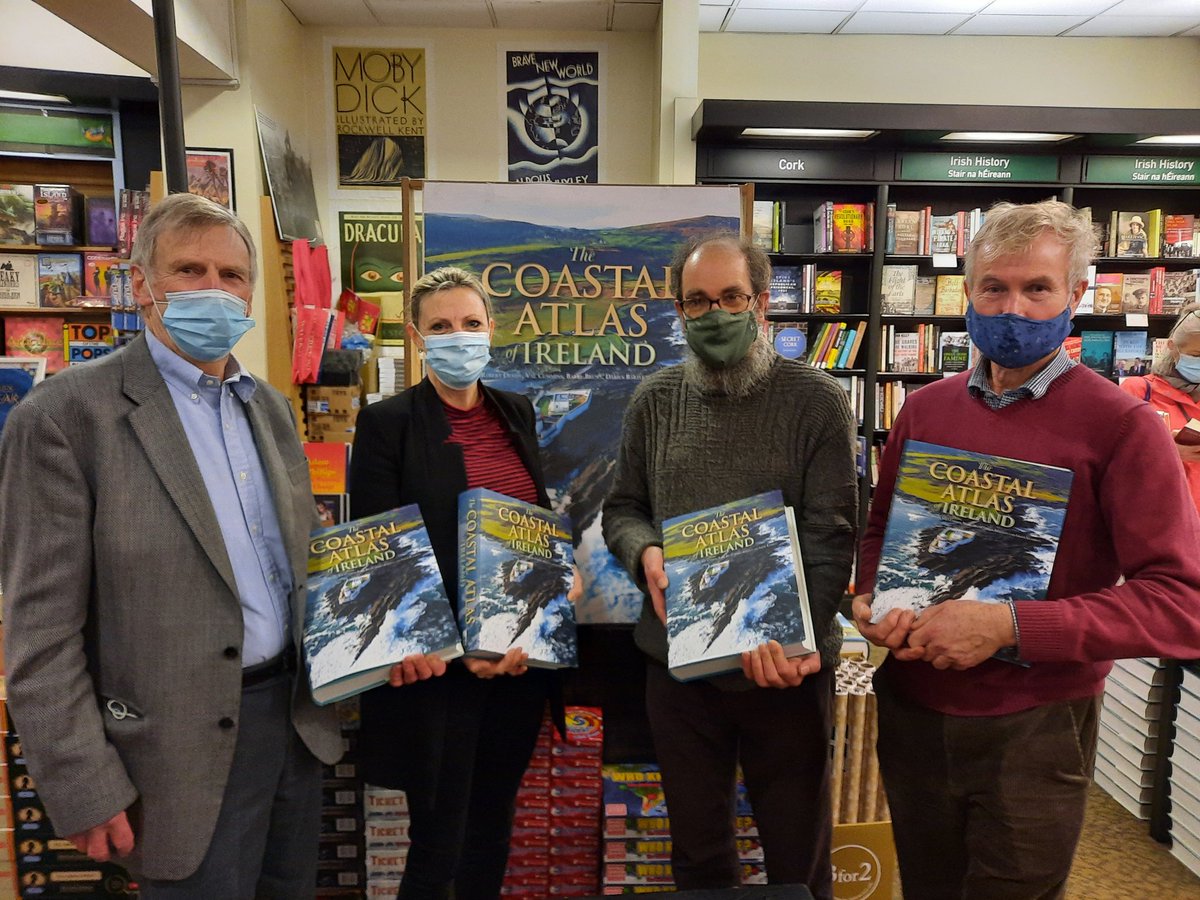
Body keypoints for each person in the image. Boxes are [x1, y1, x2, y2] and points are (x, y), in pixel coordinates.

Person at [0, 192, 410, 898]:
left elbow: (303, 558)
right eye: (190, 270)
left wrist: (398, 621)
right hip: (171, 752)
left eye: (232, 275)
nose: (215, 291)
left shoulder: (269, 406)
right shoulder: (65, 420)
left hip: (293, 726)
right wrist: (80, 780)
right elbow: (39, 630)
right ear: (143, 285)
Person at [852, 199, 1200, 900]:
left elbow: (1180, 602)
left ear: (1075, 294)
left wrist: (1012, 627)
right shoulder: (927, 407)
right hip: (914, 707)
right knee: (925, 886)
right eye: (995, 288)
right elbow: (882, 523)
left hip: (1035, 724)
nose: (1013, 308)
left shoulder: (1122, 425)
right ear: (969, 290)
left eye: (1036, 289)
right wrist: (869, 596)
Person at [602, 233, 858, 898]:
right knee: (698, 854)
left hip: (788, 672)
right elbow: (623, 509)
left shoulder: (818, 399)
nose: (714, 313)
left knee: (797, 854)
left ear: (762, 302)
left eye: (731, 297)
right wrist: (645, 552)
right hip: (679, 670)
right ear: (679, 311)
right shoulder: (654, 400)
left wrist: (800, 642)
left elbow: (834, 535)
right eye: (697, 301)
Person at [349, 266, 564, 900]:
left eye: (470, 324)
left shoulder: (515, 412)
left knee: (493, 828)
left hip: (520, 665)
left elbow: (529, 519)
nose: (458, 337)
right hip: (442, 674)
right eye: (440, 326)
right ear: (418, 338)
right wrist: (461, 648)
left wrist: (557, 581)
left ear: (491, 330)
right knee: (439, 840)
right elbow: (379, 556)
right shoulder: (387, 424)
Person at [1119, 302, 1200, 513]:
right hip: (1160, 515)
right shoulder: (1138, 391)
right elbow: (1112, 458)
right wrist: (1166, 450)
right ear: (1173, 348)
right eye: (1198, 355)